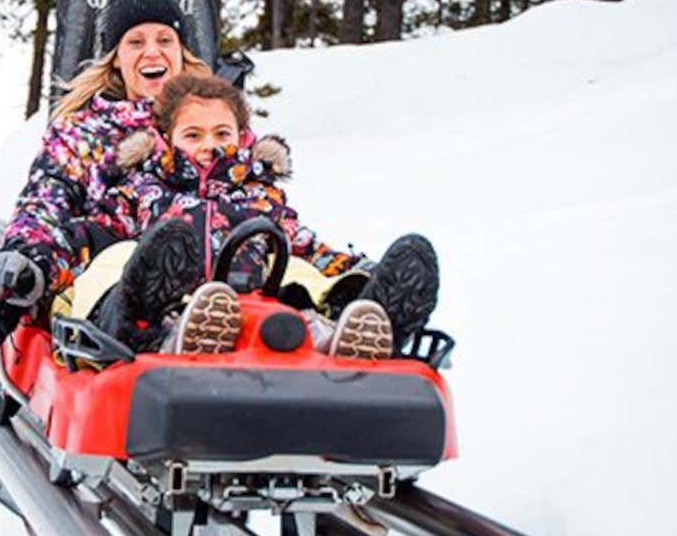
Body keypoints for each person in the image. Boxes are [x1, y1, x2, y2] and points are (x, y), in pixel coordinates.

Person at [64, 73, 438, 359]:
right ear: (166, 139)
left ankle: (356, 323)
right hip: (169, 308)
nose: (209, 144)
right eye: (193, 135)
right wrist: (41, 264)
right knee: (119, 257)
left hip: (256, 314)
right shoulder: (142, 191)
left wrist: (361, 271)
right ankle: (149, 331)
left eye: (221, 133)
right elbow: (88, 237)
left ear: (242, 139)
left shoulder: (261, 196)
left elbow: (309, 247)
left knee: (297, 267)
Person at [0, 0, 211, 352]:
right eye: (135, 42)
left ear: (182, 54)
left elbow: (251, 198)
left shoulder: (211, 128)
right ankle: (138, 325)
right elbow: (45, 205)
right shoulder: (82, 133)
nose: (152, 52)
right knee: (120, 259)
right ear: (115, 59)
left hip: (209, 276)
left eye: (165, 40)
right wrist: (22, 265)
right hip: (103, 275)